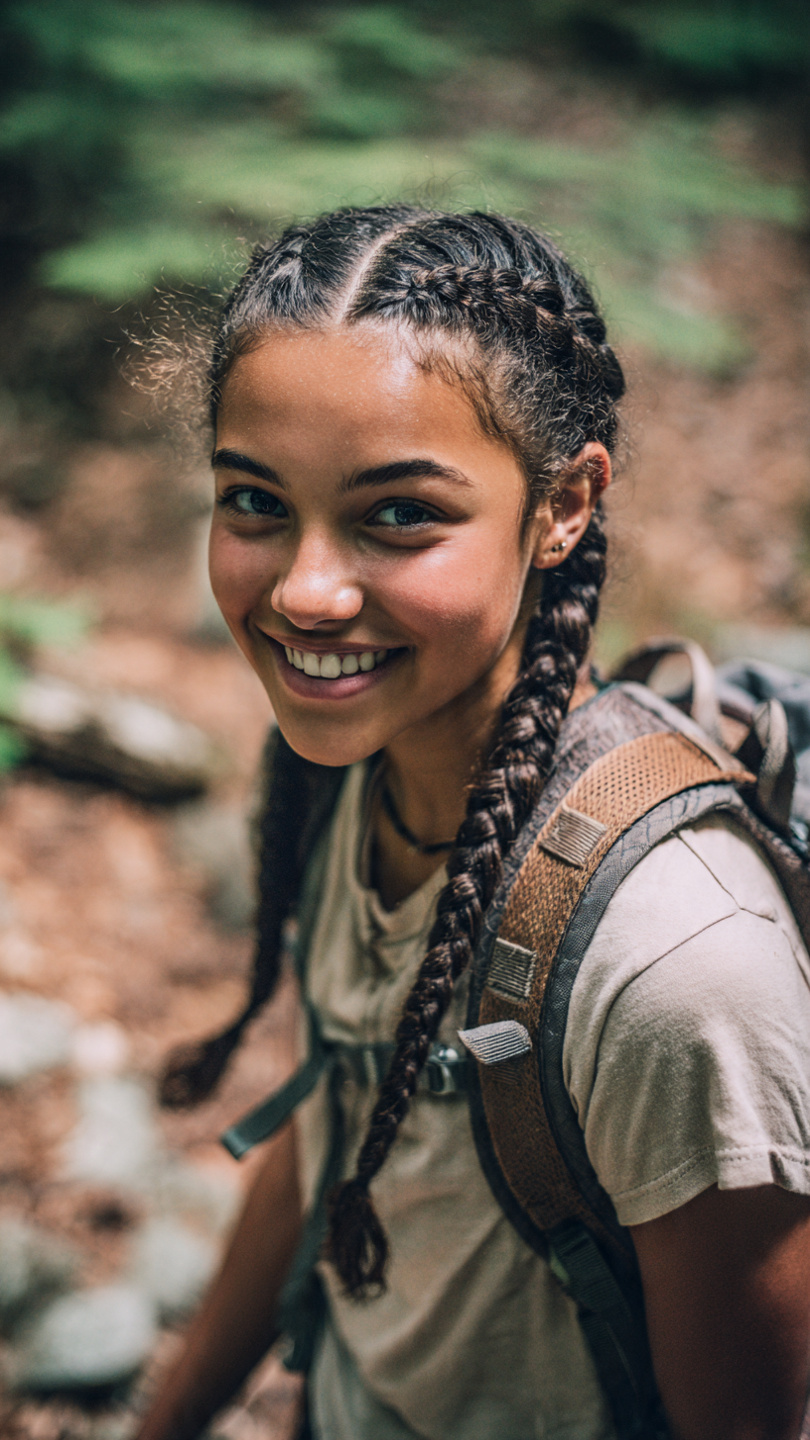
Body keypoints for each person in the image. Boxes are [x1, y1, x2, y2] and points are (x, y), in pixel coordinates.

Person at [135, 207, 810, 1440]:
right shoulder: (355, 757)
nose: (305, 591)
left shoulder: (676, 971)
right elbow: (330, 1119)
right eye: (254, 501)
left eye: (399, 514)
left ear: (564, 504)